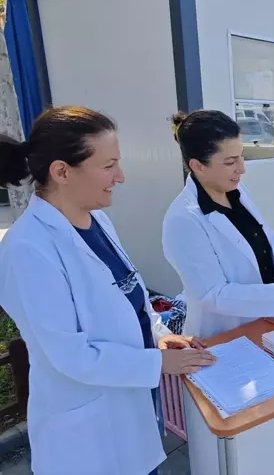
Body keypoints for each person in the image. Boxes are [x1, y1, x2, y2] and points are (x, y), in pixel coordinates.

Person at [0, 106, 216, 475]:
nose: (121, 176)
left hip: (131, 411)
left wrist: (160, 337)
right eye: (108, 165)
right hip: (87, 437)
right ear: (62, 171)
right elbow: (69, 355)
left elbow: (130, 299)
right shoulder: (27, 250)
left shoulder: (97, 219)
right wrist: (158, 363)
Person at [162, 110, 274, 338]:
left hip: (259, 321)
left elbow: (257, 244)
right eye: (230, 162)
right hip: (221, 334)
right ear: (198, 166)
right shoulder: (183, 220)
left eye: (241, 156)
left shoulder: (236, 192)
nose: (242, 168)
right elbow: (213, 295)